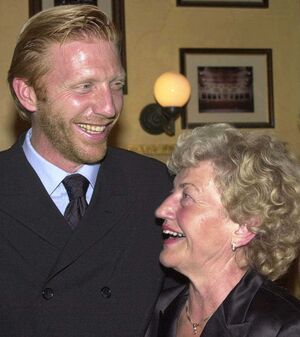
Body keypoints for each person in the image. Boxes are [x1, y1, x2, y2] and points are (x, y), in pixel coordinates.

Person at [2, 5, 173, 337]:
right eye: (84, 87)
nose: (108, 107)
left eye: (116, 83)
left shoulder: (154, 186)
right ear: (29, 93)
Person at [145, 123, 300, 337]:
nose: (162, 210)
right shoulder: (160, 308)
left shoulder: (283, 328)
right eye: (172, 193)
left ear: (245, 226)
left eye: (187, 197)